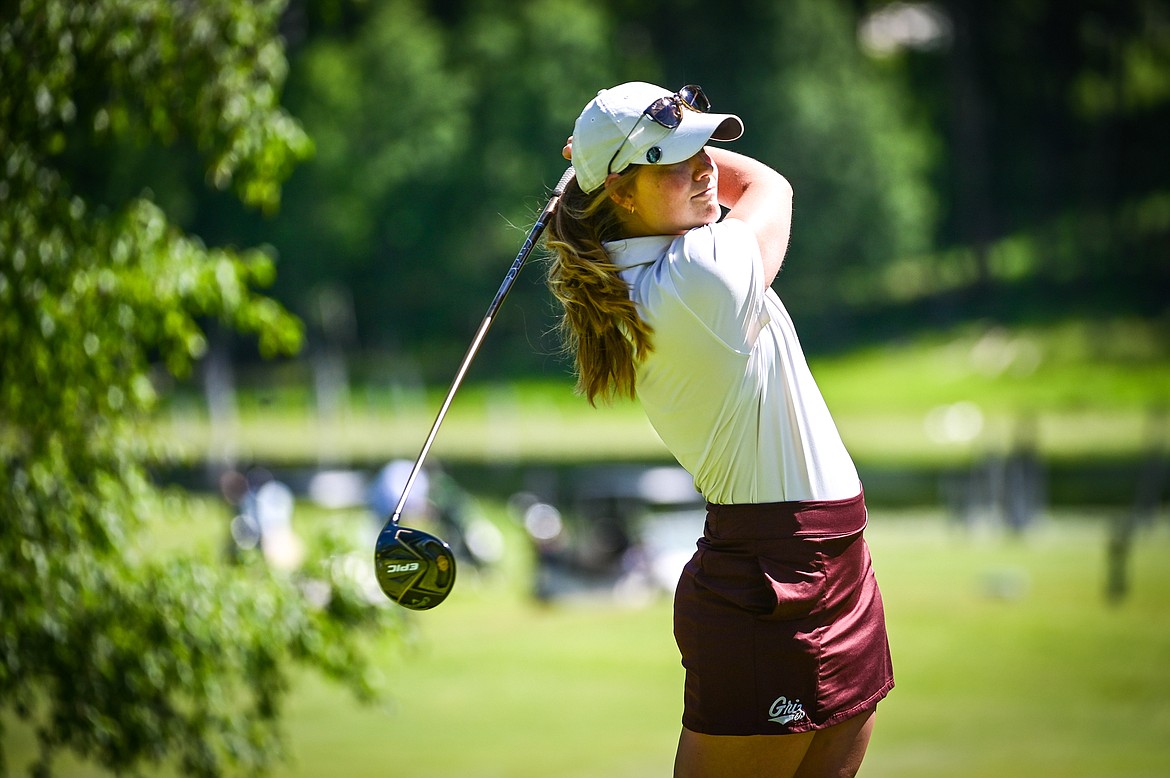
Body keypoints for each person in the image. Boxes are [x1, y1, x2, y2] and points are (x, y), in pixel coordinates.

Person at [544, 82, 894, 777]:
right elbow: (772, 186)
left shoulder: (663, 265)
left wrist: (596, 171)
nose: (704, 167)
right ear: (621, 193)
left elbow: (714, 184)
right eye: (673, 160)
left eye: (704, 148)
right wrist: (587, 170)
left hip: (833, 560)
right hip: (773, 581)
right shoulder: (696, 276)